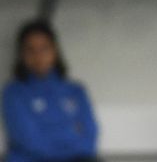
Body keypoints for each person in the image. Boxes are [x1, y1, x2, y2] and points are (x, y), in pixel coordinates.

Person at [2, 19, 99, 162]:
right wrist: (69, 135)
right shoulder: (13, 93)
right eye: (30, 50)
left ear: (55, 51)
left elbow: (89, 137)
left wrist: (52, 134)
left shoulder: (76, 91)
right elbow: (29, 140)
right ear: (21, 55)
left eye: (44, 48)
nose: (38, 56)